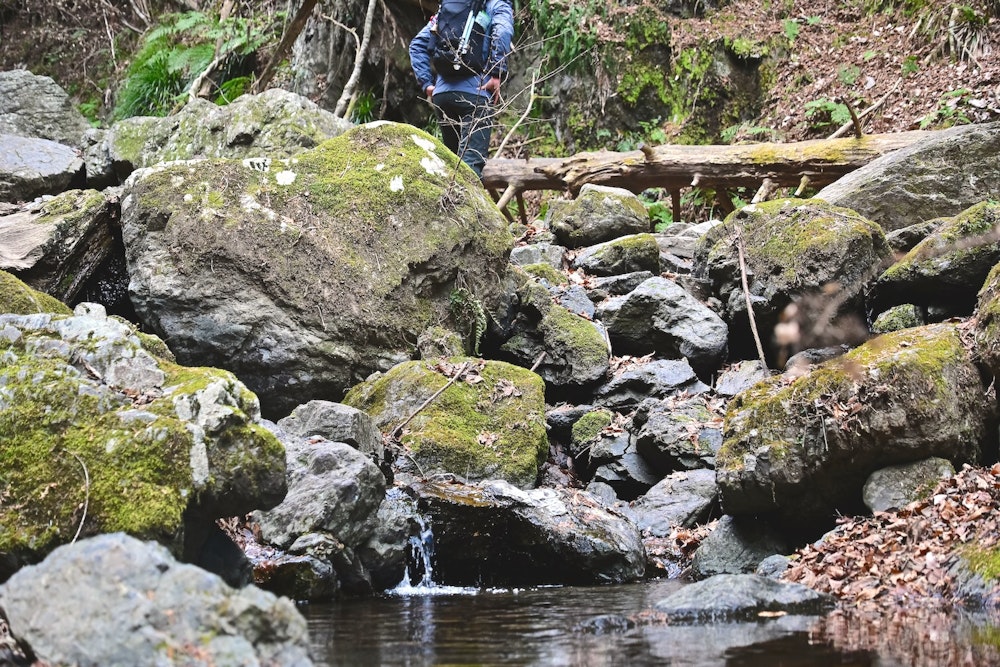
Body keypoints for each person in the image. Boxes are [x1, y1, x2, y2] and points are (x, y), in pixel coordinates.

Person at [409, 0, 514, 180]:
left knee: (452, 164)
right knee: (469, 170)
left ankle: (447, 205)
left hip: (442, 98)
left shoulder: (450, 9)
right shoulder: (496, 5)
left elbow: (417, 45)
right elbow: (503, 31)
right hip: (475, 95)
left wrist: (428, 85)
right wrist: (496, 73)